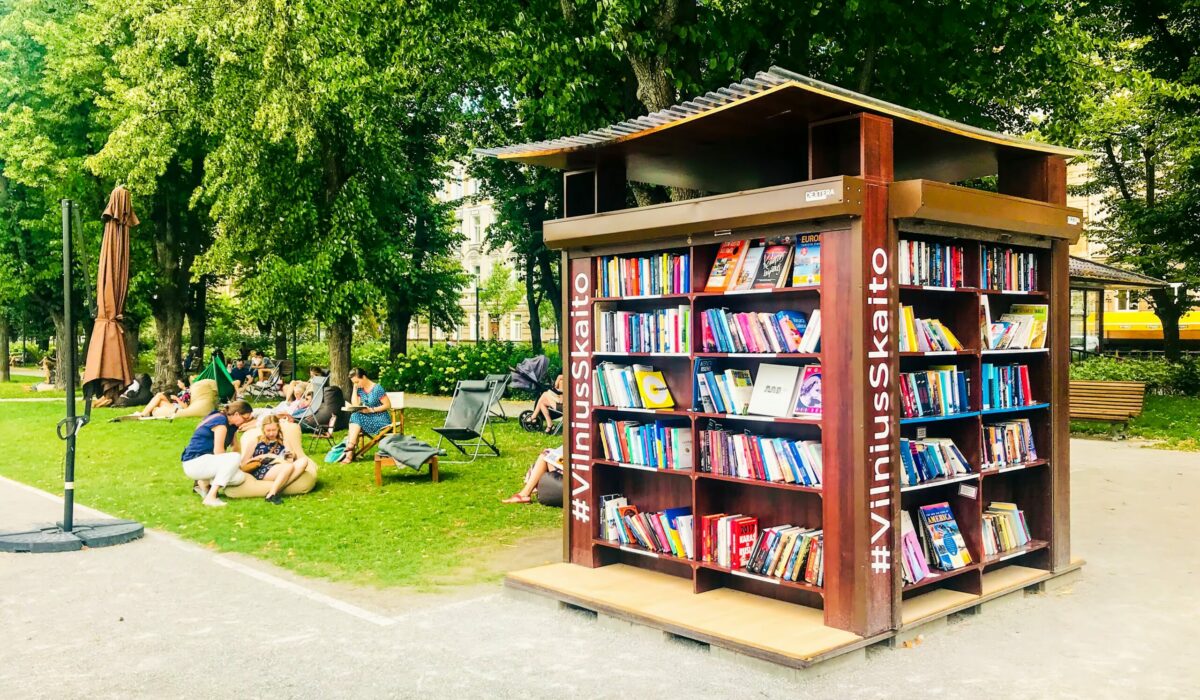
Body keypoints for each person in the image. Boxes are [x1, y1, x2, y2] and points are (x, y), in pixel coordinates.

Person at [181, 400, 255, 507]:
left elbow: (235, 447)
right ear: (236, 414)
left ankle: (203, 484)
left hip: (207, 461)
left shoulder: (231, 425)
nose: (246, 422)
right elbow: (218, 451)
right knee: (234, 458)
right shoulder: (220, 422)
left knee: (239, 477)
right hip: (194, 462)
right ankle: (211, 496)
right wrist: (232, 463)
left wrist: (236, 466)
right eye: (245, 418)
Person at [240, 415, 311, 504]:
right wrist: (261, 457)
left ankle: (275, 490)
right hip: (261, 468)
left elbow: (290, 462)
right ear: (263, 430)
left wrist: (291, 454)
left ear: (278, 429)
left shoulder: (283, 441)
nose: (271, 433)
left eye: (274, 430)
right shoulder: (256, 441)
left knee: (303, 461)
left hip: (281, 466)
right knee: (288, 467)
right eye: (268, 430)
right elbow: (243, 463)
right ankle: (271, 494)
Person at [339, 367, 392, 463]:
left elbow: (388, 405)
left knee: (355, 417)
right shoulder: (360, 389)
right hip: (367, 418)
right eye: (353, 382)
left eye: (357, 382)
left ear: (363, 377)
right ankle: (350, 448)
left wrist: (372, 410)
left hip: (380, 419)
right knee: (355, 415)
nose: (356, 384)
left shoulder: (377, 388)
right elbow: (355, 404)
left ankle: (350, 450)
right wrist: (355, 389)